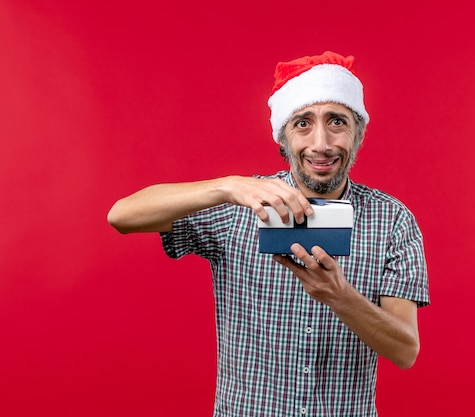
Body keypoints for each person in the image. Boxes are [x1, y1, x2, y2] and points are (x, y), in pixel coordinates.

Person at [108, 51, 429, 417]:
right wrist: (226, 187)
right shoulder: (241, 203)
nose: (321, 144)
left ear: (358, 133)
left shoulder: (392, 220)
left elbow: (405, 351)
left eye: (337, 122)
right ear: (283, 135)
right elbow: (122, 215)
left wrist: (342, 298)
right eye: (303, 123)